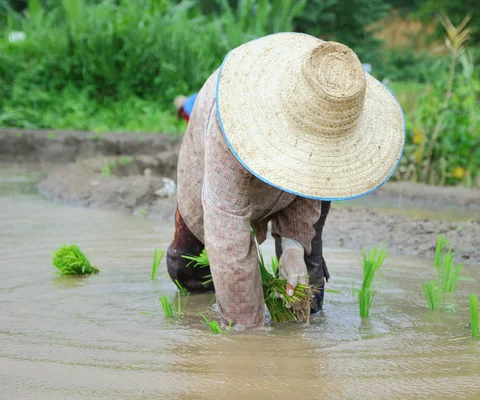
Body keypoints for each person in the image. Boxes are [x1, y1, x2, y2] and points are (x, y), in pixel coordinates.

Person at [166, 32, 405, 330]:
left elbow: (313, 185)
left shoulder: (331, 117)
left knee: (305, 291)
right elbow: (227, 230)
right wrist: (246, 334)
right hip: (224, 164)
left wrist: (294, 248)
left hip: (310, 162)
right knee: (189, 267)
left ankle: (300, 317)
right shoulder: (234, 113)